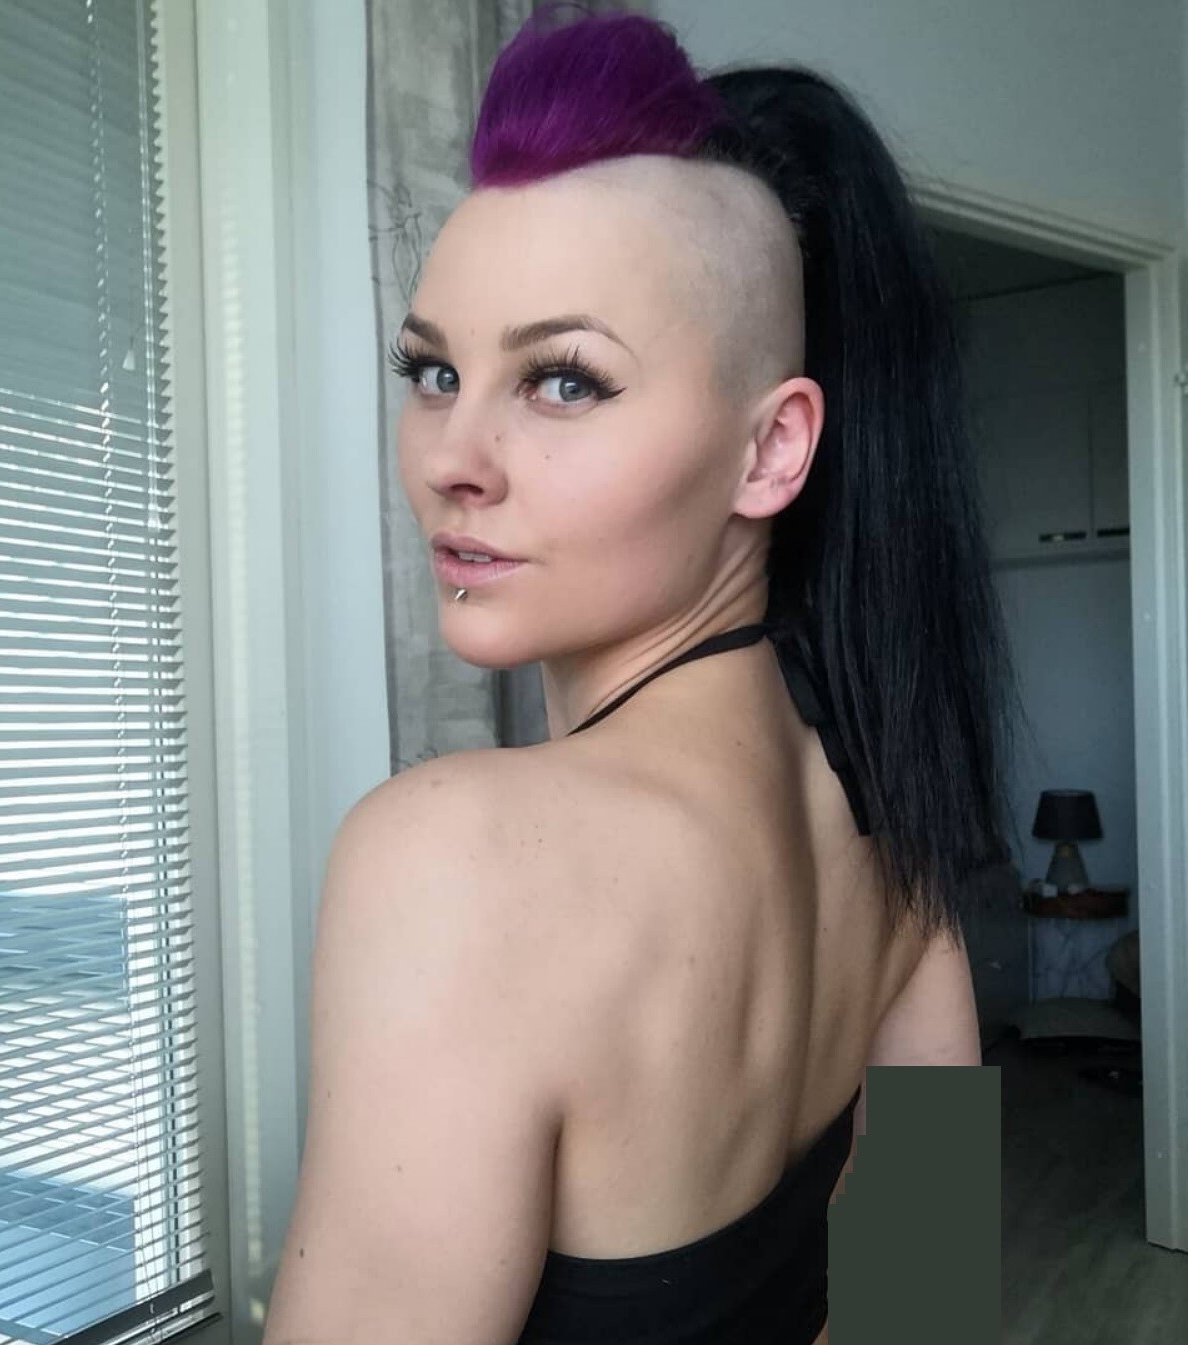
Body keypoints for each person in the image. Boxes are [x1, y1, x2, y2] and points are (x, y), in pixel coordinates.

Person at [264, 4, 1021, 1343]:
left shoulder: (454, 860)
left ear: (770, 451)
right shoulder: (891, 811)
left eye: (563, 382)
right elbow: (927, 1298)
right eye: (433, 369)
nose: (452, 459)